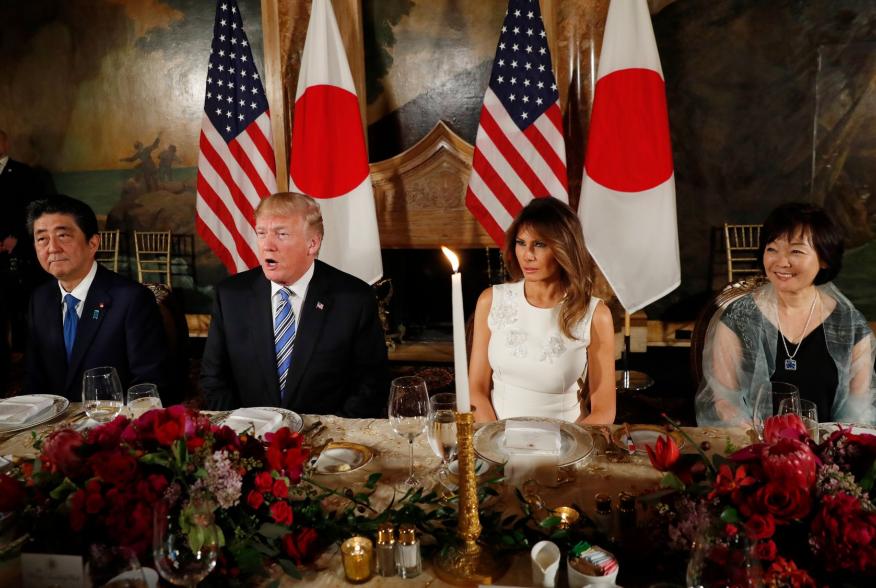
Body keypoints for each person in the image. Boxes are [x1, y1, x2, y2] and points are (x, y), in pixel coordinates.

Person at [200, 192, 388, 417]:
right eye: (261, 233)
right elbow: (213, 379)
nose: (267, 245)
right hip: (250, 437)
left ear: (312, 243)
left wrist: (331, 435)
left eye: (281, 234)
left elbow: (371, 385)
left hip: (328, 441)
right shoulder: (230, 295)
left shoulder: (353, 298)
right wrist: (242, 431)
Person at [696, 202, 876, 426]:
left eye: (796, 251)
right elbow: (724, 402)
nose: (781, 262)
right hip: (754, 447)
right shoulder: (738, 318)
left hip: (825, 452)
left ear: (824, 259)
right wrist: (763, 447)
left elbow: (857, 411)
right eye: (772, 249)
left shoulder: (850, 327)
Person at [468, 197, 616, 424]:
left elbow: (604, 411)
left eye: (539, 244)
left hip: (567, 444)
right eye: (521, 242)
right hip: (498, 441)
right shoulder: (490, 301)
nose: (527, 255)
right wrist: (494, 439)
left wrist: (565, 446)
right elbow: (476, 389)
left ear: (563, 248)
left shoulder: (596, 315)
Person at [24, 195, 170, 403]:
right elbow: (33, 380)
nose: (52, 248)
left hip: (112, 427)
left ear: (93, 243)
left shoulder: (131, 299)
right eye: (42, 239)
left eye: (63, 236)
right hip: (53, 428)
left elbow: (150, 383)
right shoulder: (40, 299)